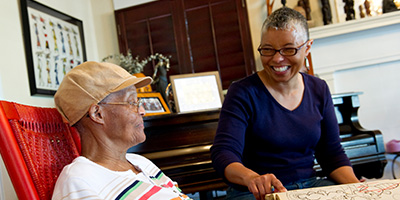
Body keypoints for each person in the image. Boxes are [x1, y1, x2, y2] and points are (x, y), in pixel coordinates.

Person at [210, 7, 360, 200]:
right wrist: (253, 178)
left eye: (289, 49)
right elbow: (224, 153)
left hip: (310, 186)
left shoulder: (319, 89)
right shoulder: (243, 92)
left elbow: (332, 154)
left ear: (307, 48)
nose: (277, 58)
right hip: (255, 193)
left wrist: (357, 188)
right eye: (268, 49)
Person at [52, 61, 191, 200]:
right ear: (97, 114)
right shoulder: (79, 180)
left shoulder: (141, 162)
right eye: (132, 102)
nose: (142, 111)